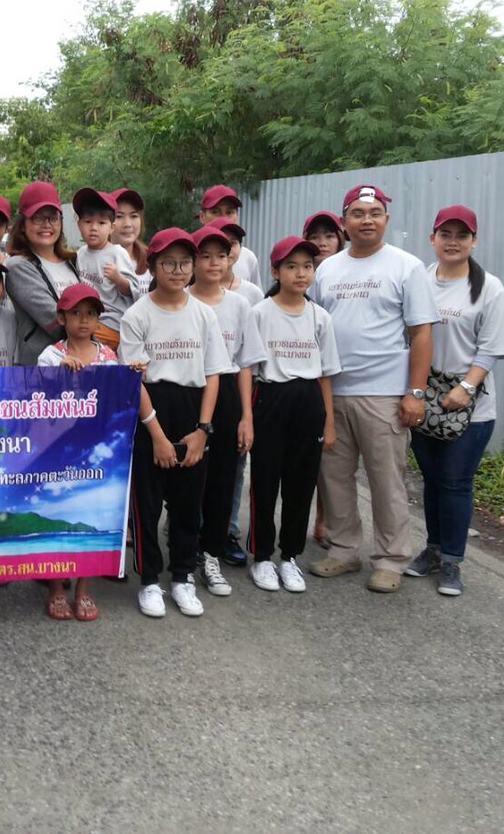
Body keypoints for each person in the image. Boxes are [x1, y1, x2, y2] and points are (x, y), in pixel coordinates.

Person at [310, 184, 439, 593]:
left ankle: (390, 559)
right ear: (344, 221)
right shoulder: (327, 269)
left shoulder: (406, 266)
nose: (367, 220)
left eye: (375, 213)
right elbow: (314, 327)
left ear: (386, 219)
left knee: (387, 481)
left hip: (384, 394)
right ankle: (344, 550)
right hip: (334, 391)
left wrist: (415, 393)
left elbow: (421, 333)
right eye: (358, 213)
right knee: (334, 478)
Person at [119, 228, 231, 619]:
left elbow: (213, 374)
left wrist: (202, 430)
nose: (178, 270)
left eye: (185, 262)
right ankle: (150, 580)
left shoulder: (204, 314)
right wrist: (157, 435)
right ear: (153, 266)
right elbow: (134, 379)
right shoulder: (137, 315)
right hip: (150, 410)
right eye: (169, 262)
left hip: (192, 410)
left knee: (187, 503)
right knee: (147, 504)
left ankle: (182, 577)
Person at [406, 205, 504, 597]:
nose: (453, 242)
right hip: (424, 397)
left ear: (474, 241)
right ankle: (434, 548)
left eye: (462, 235)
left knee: (455, 480)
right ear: (432, 238)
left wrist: (466, 387)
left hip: (468, 406)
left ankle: (452, 560)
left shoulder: (489, 288)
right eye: (445, 234)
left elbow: (492, 346)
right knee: (432, 478)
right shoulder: (419, 279)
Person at [239, 237, 341, 593]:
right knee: (265, 481)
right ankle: (262, 556)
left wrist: (329, 421)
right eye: (292, 266)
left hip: (308, 401)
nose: (301, 274)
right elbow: (248, 368)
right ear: (275, 271)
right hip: (270, 398)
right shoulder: (260, 313)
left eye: (307, 266)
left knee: (301, 483)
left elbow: (326, 374)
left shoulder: (320, 317)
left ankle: (289, 556)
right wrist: (247, 417)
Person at [35, 284, 129, 622]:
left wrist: (131, 378)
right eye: (76, 313)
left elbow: (117, 400)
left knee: (93, 515)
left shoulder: (108, 357)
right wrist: (59, 375)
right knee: (58, 513)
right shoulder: (50, 355)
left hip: (98, 452)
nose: (84, 320)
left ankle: (84, 589)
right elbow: (38, 403)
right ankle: (56, 588)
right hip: (59, 450)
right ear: (62, 318)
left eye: (91, 314)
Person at [187, 226, 254, 600]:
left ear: (231, 259)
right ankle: (184, 552)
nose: (214, 263)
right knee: (187, 477)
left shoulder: (240, 305)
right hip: (189, 389)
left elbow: (244, 364)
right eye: (205, 256)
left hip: (226, 392)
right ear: (193, 260)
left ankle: (211, 553)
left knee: (222, 479)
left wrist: (246, 416)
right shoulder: (179, 299)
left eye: (222, 255)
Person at [302, 209, 346, 549]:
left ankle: (325, 518)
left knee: (334, 458)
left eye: (329, 236)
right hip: (309, 378)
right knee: (313, 458)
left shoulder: (346, 271)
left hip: (346, 377)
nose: (322, 242)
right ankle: (315, 519)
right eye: (315, 237)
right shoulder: (302, 279)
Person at [6, 181, 80, 365]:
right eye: (38, 218)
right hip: (42, 369)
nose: (47, 225)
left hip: (82, 363)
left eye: (53, 218)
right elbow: (53, 319)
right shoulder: (18, 266)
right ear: (23, 225)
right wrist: (97, 334)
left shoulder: (73, 261)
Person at [72, 187, 137, 348]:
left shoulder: (117, 253)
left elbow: (134, 291)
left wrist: (118, 279)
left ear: (112, 228)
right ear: (79, 225)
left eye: (101, 223)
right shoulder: (79, 255)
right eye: (88, 222)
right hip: (87, 317)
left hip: (112, 320)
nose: (94, 228)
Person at [199, 185, 261, 288]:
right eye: (215, 212)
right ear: (202, 217)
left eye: (229, 212)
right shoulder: (189, 255)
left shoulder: (248, 258)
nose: (223, 218)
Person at [208, 219, 264, 306]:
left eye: (233, 243)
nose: (228, 249)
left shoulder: (253, 294)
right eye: (221, 243)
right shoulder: (190, 293)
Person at [112, 188, 151, 298]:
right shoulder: (91, 259)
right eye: (119, 216)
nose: (127, 224)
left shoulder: (153, 260)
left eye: (134, 216)